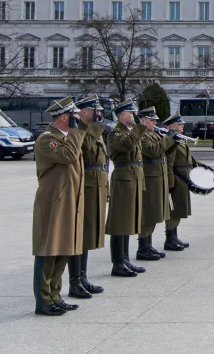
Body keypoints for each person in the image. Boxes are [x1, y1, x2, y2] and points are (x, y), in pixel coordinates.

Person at [32, 98, 85, 316]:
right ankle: (43, 301)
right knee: (48, 250)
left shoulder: (66, 138)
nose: (78, 120)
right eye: (74, 116)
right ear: (64, 117)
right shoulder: (47, 139)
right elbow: (69, 157)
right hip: (53, 202)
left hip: (67, 201)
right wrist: (75, 132)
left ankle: (55, 295)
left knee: (63, 249)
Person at [68, 95, 108, 299]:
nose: (99, 114)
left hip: (96, 185)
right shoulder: (79, 131)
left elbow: (103, 160)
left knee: (87, 235)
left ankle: (82, 278)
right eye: (95, 111)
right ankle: (75, 281)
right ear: (83, 113)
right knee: (79, 235)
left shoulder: (93, 131)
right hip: (84, 187)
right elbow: (87, 152)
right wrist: (95, 130)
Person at [105, 99, 145, 277]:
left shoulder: (129, 132)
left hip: (133, 178)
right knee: (119, 221)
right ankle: (118, 262)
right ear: (121, 116)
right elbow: (127, 145)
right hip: (123, 180)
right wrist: (138, 129)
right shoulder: (116, 134)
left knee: (128, 220)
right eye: (131, 113)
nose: (134, 116)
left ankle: (125, 259)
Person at [136, 107, 169, 261]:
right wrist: (168, 140)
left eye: (155, 120)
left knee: (155, 213)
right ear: (143, 121)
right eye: (152, 120)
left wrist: (172, 142)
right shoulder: (142, 135)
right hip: (150, 178)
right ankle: (142, 247)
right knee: (148, 213)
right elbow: (152, 151)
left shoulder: (154, 134)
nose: (155, 123)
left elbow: (163, 153)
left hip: (158, 177)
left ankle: (148, 245)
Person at [163, 114, 195, 248]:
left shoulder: (180, 140)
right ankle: (170, 239)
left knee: (180, 209)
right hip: (177, 178)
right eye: (179, 124)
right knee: (174, 210)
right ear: (171, 126)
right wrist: (171, 182)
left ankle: (174, 237)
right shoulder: (171, 141)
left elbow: (187, 159)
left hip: (183, 178)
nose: (182, 126)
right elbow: (169, 163)